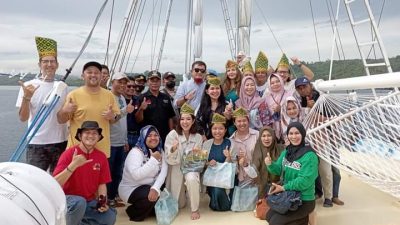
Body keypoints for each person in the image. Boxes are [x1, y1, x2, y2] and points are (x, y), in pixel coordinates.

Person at [16, 36, 68, 173]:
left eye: (52, 61)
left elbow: (63, 115)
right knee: (35, 181)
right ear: (39, 65)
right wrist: (27, 98)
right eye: (45, 61)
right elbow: (22, 118)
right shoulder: (28, 86)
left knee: (58, 181)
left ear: (57, 65)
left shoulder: (62, 86)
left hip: (61, 141)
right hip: (36, 143)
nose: (49, 64)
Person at [53, 121, 116, 225]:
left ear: (99, 137)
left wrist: (102, 202)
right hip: (66, 201)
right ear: (80, 135)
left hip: (88, 202)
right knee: (79, 202)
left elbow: (102, 184)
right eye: (87, 132)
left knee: (109, 216)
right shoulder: (69, 154)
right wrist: (73, 165)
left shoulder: (101, 156)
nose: (91, 135)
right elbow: (54, 183)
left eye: (94, 133)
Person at [295, 76, 344, 207]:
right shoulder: (300, 102)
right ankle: (319, 193)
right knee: (313, 169)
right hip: (310, 141)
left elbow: (330, 119)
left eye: (304, 86)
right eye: (299, 88)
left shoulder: (323, 98)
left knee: (331, 169)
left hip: (327, 137)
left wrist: (314, 109)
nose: (302, 90)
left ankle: (333, 196)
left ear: (310, 85)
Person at [57, 61, 120, 158]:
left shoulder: (109, 95)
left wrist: (113, 116)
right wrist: (64, 110)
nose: (93, 75)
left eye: (96, 72)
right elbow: (61, 120)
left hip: (101, 152)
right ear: (83, 76)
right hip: (77, 152)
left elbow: (116, 118)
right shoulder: (73, 95)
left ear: (100, 75)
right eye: (89, 72)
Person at [265, 122, 318, 225]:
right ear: (287, 135)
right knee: (269, 217)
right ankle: (303, 220)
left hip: (303, 200)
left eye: (297, 133)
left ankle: (304, 219)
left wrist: (284, 187)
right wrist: (270, 164)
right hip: (288, 196)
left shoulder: (310, 156)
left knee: (275, 222)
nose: (294, 137)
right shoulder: (287, 152)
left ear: (302, 134)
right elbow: (278, 169)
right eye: (291, 133)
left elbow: (305, 181)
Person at [118, 125, 167, 221]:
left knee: (162, 201)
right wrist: (153, 160)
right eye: (149, 136)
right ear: (143, 137)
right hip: (131, 188)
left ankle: (148, 207)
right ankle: (133, 212)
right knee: (149, 198)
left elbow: (164, 171)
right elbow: (136, 176)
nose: (153, 138)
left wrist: (155, 188)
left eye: (155, 135)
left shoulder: (159, 150)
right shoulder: (136, 152)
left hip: (149, 186)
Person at [164, 103, 203, 220]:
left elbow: (197, 163)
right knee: (179, 204)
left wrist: (197, 154)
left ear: (193, 120)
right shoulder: (172, 135)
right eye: (182, 119)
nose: (185, 122)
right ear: (179, 120)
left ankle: (195, 209)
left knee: (191, 178)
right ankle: (184, 197)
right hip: (176, 167)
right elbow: (169, 159)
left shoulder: (198, 137)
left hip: (190, 167)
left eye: (188, 119)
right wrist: (173, 149)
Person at [108, 72, 134, 207]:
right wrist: (125, 111)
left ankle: (112, 198)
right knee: (109, 173)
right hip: (110, 142)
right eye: (120, 82)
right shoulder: (108, 97)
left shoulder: (122, 98)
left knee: (117, 172)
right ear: (113, 82)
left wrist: (125, 140)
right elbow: (111, 119)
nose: (122, 85)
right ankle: (106, 199)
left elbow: (122, 123)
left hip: (120, 141)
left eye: (125, 82)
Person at [202, 113, 236, 211]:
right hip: (212, 180)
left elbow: (235, 167)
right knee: (216, 190)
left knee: (221, 193)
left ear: (225, 130)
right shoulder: (206, 144)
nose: (217, 131)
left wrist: (228, 158)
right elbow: (201, 165)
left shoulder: (231, 143)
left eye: (221, 128)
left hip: (227, 180)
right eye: (215, 129)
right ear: (211, 130)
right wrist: (208, 163)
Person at [135, 70, 175, 143]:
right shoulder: (141, 98)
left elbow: (170, 116)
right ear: (147, 82)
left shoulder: (166, 97)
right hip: (148, 137)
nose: (154, 83)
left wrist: (171, 133)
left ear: (161, 82)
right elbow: (137, 120)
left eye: (157, 81)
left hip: (164, 136)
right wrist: (141, 109)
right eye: (152, 80)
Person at [252, 127, 284, 198]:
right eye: (263, 136)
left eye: (269, 135)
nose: (266, 139)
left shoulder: (281, 149)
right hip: (262, 187)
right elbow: (253, 171)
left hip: (279, 186)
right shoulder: (257, 150)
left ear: (273, 137)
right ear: (260, 137)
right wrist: (245, 165)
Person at [230, 107, 259, 186]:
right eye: (239, 121)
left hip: (258, 176)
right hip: (240, 180)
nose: (242, 123)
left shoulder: (257, 135)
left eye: (244, 120)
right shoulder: (231, 141)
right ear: (234, 123)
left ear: (248, 121)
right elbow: (232, 163)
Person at [264, 73, 294, 142]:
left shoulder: (290, 94)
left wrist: (282, 109)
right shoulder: (266, 98)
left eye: (277, 81)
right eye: (272, 83)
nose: (275, 84)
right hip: (273, 130)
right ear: (269, 85)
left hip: (289, 127)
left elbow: (296, 111)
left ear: (281, 81)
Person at [124, 76, 141, 149]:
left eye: (134, 86)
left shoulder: (138, 100)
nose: (131, 88)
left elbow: (139, 119)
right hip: (124, 137)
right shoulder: (119, 100)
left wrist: (142, 109)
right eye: (129, 86)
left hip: (136, 136)